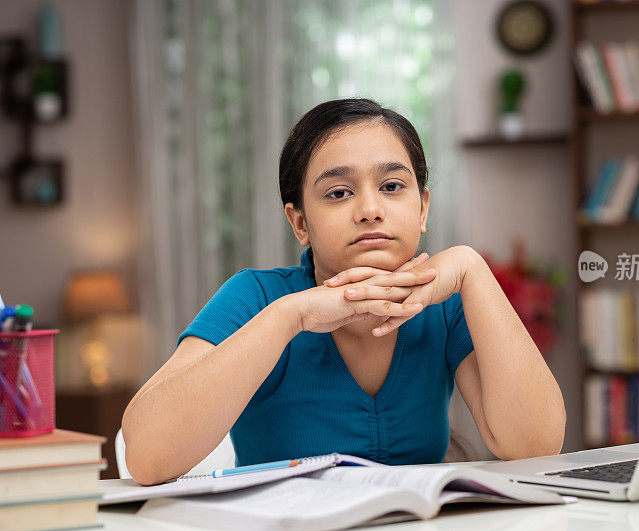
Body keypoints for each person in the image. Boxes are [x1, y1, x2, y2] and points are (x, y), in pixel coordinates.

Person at [122, 98, 566, 486]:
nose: (371, 210)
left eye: (392, 186)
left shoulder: (448, 304)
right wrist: (289, 317)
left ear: (423, 206)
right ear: (300, 223)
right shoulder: (254, 296)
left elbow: (536, 445)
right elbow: (145, 456)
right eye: (338, 193)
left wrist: (473, 269)